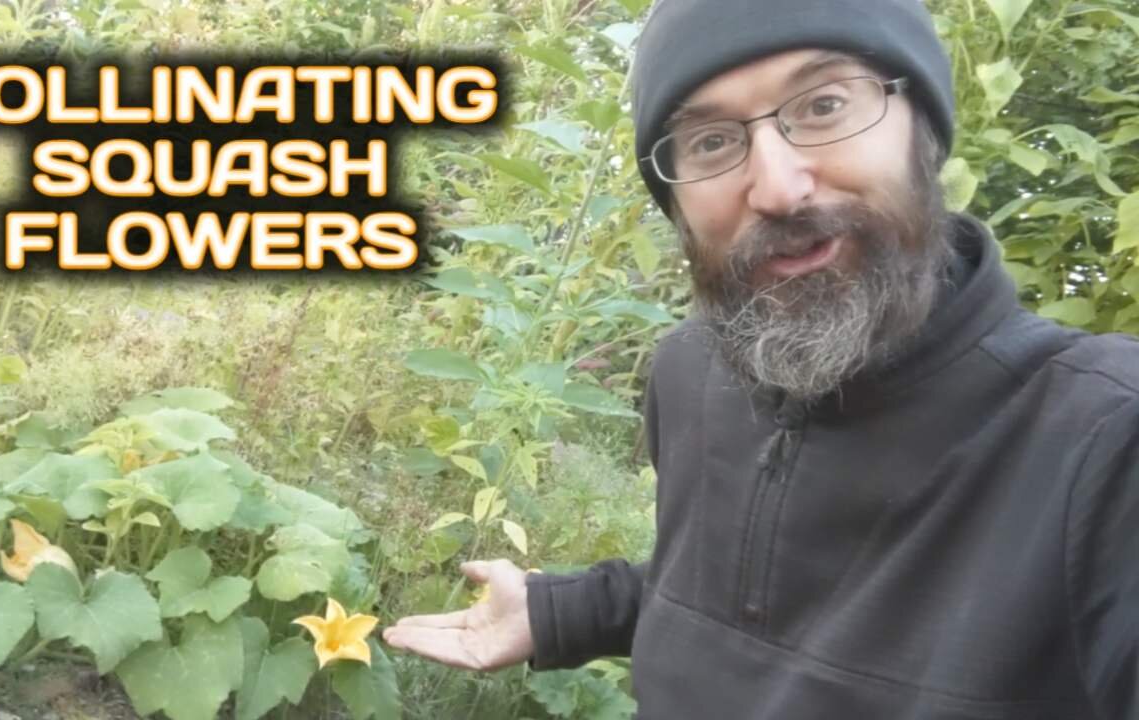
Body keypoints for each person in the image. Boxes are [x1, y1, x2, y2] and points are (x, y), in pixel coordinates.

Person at [383, 0, 1139, 716]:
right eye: (712, 142)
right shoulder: (692, 372)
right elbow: (745, 596)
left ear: (925, 129)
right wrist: (566, 612)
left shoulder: (1104, 444)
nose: (778, 188)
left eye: (823, 106)